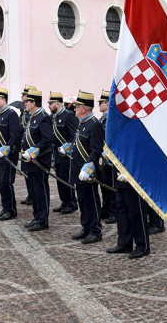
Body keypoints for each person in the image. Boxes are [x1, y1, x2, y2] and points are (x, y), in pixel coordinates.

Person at [62, 90, 104, 245]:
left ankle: (95, 230)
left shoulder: (94, 124)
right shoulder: (82, 124)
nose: (74, 109)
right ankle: (86, 226)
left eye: (77, 106)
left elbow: (96, 149)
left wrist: (88, 168)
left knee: (91, 200)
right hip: (78, 170)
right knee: (82, 200)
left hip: (87, 171)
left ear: (84, 108)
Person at [20, 89, 53, 232]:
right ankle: (36, 217)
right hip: (29, 160)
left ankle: (42, 220)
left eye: (27, 101)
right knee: (33, 191)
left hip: (39, 161)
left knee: (40, 191)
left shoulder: (43, 117)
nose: (25, 103)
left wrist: (34, 150)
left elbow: (47, 139)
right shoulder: (32, 116)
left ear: (34, 102)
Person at [0, 88, 23, 221]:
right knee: (1, 182)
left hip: (8, 155)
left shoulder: (11, 114)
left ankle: (11, 210)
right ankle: (5, 207)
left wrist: (7, 148)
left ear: (4, 100)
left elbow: (15, 134)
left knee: (6, 182)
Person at [107, 169, 151, 259]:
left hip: (134, 177)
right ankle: (124, 243)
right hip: (120, 176)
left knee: (137, 213)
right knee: (122, 211)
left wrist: (130, 171)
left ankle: (142, 246)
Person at [48, 92, 79, 214]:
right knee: (60, 179)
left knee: (67, 179)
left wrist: (67, 147)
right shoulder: (53, 117)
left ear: (57, 103)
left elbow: (74, 135)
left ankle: (71, 202)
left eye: (51, 103)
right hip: (57, 154)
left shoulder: (69, 116)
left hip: (66, 155)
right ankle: (64, 201)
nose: (49, 106)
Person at [98, 90, 117, 224]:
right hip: (102, 159)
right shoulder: (102, 120)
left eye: (101, 102)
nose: (99, 104)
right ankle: (106, 209)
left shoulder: (112, 120)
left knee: (111, 186)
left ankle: (113, 212)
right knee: (104, 185)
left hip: (111, 159)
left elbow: (114, 139)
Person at [19, 85, 36, 206]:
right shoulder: (24, 113)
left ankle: (33, 195)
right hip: (25, 149)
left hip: (33, 150)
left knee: (35, 179)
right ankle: (30, 194)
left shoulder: (34, 114)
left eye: (25, 96)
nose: (23, 98)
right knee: (27, 175)